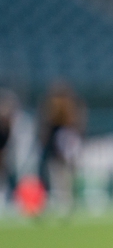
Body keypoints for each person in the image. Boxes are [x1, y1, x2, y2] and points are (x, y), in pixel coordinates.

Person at [38, 81, 85, 216]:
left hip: (62, 147)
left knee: (63, 177)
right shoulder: (54, 115)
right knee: (58, 176)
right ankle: (60, 201)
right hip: (57, 149)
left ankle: (65, 201)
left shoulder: (67, 115)